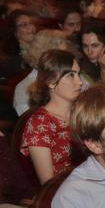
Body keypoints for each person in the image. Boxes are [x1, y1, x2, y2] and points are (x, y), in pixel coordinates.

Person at [19, 49, 82, 184]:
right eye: (71, 75)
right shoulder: (40, 124)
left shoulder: (84, 112)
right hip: (64, 193)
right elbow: (48, 183)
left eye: (78, 74)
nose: (79, 82)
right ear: (51, 82)